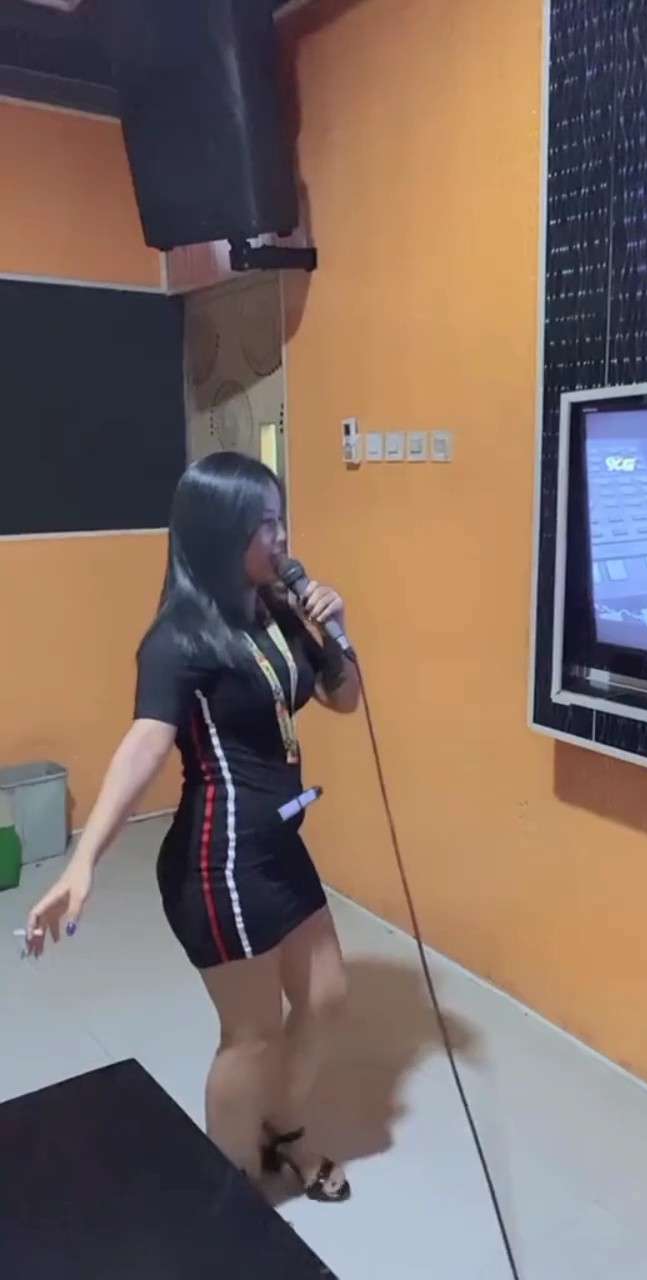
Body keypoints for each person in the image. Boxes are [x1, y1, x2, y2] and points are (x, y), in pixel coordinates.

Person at [26, 452, 360, 1203]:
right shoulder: (177, 638)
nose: (281, 537)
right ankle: (231, 1192)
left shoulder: (278, 609)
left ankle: (283, 1132)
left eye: (280, 519)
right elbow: (145, 744)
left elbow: (345, 701)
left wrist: (336, 629)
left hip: (277, 845)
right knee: (252, 1037)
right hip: (221, 863)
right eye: (264, 524)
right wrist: (84, 860)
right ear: (219, 532)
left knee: (327, 998)